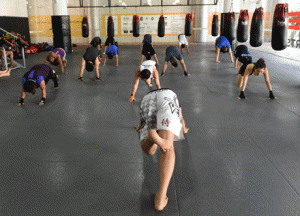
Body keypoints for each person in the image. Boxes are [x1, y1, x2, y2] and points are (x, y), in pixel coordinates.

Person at [135, 88, 189, 211]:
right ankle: (160, 198)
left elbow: (142, 121)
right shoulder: (174, 97)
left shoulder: (147, 96)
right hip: (167, 97)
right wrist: (184, 129)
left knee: (150, 150)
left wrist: (140, 128)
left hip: (146, 100)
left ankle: (153, 135)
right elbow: (180, 118)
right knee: (168, 147)